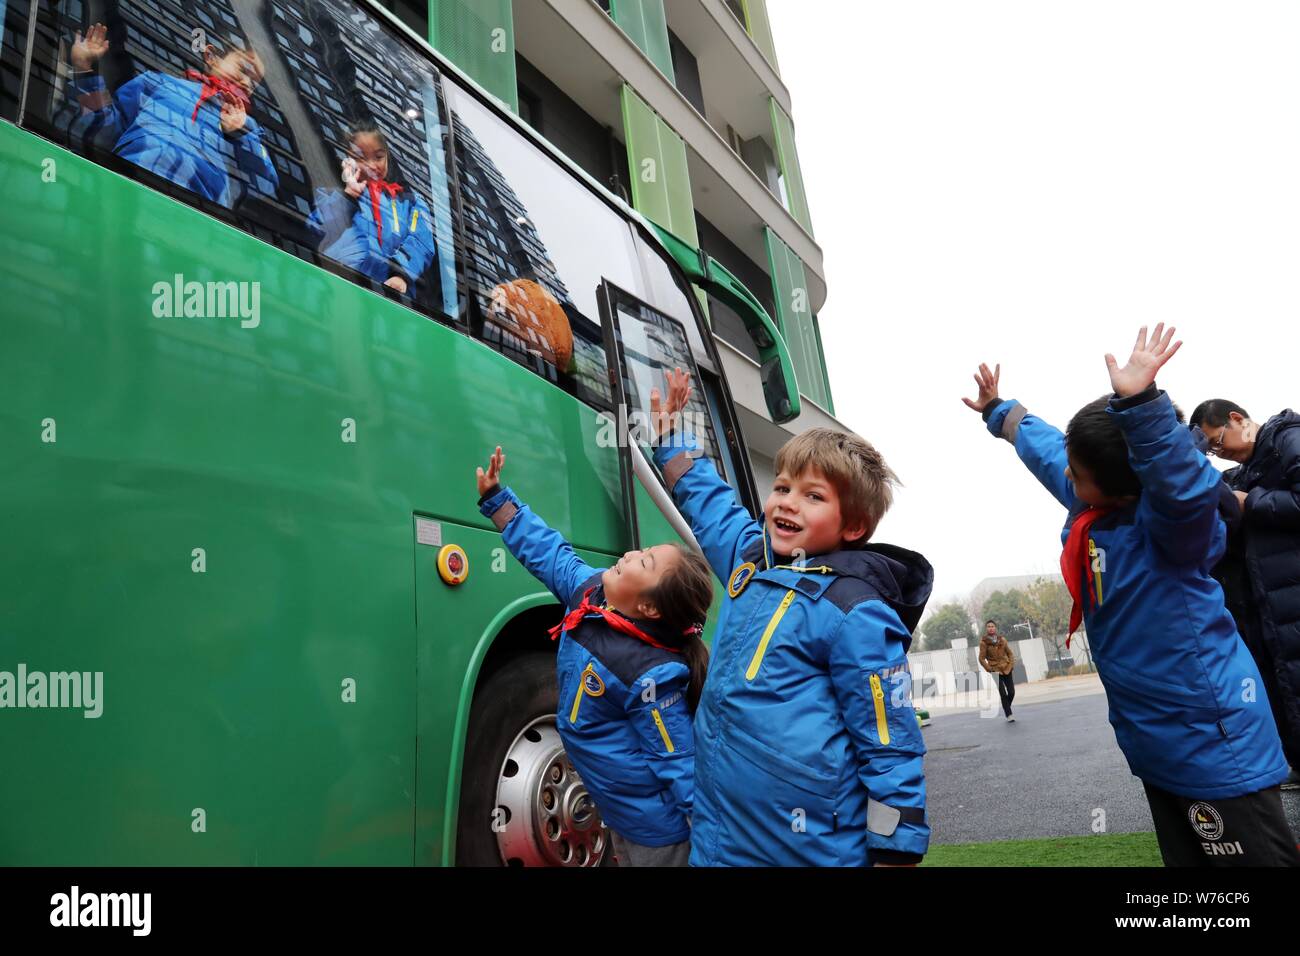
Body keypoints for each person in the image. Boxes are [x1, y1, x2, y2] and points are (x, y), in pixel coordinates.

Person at [964, 325, 1298, 866]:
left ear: (1124, 483)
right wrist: (1001, 412)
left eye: (1080, 473)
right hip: (1155, 745)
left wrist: (1143, 405)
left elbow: (1183, 487)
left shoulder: (1173, 529)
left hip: (1214, 749)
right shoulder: (1092, 507)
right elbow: (1050, 451)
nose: (1068, 477)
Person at [651, 368, 933, 867]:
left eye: (813, 496)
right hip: (723, 838)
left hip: (807, 849)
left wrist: (896, 848)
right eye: (782, 487)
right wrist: (672, 438)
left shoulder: (856, 610)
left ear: (854, 526)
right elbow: (712, 505)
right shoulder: (751, 560)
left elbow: (888, 740)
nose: (788, 502)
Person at [474, 445, 712, 866]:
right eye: (643, 551)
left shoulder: (650, 676)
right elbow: (549, 554)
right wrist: (498, 500)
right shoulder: (591, 593)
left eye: (647, 561)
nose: (632, 554)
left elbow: (678, 762)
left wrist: (711, 842)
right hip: (619, 813)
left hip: (658, 834)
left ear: (651, 609)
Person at [1190, 399, 1300, 789]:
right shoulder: (1242, 472)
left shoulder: (1287, 440)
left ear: (1237, 419)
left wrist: (1251, 502)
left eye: (1218, 442)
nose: (1219, 454)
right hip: (1271, 605)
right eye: (1213, 451)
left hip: (1289, 597)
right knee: (1284, 683)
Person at [67, 22, 278, 209]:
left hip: (198, 216)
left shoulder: (245, 125)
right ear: (212, 56)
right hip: (125, 184)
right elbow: (103, 130)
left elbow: (266, 186)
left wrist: (240, 133)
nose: (247, 82)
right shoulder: (157, 83)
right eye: (244, 69)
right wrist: (84, 70)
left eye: (254, 82)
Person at [306, 120, 436, 296]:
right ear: (348, 158)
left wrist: (400, 275)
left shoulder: (411, 202)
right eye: (361, 157)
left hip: (392, 300)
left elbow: (421, 242)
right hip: (338, 291)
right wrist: (349, 196)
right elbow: (316, 229)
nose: (372, 165)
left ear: (388, 156)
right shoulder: (332, 195)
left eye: (379, 156)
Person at [978, 620, 1017, 721]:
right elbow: (981, 658)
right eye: (988, 626)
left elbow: (1010, 654)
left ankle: (1006, 707)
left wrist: (1011, 664)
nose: (991, 628)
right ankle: (1009, 715)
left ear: (995, 628)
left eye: (992, 626)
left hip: (1007, 668)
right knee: (1003, 693)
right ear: (986, 629)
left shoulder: (1002, 640)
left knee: (1011, 692)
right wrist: (989, 668)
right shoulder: (983, 642)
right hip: (995, 669)